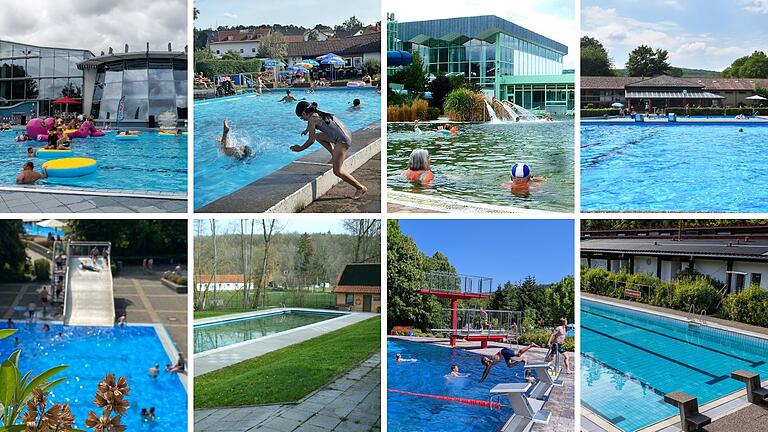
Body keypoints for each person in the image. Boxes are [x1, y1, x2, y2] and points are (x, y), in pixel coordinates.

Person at [293, 101, 367, 199]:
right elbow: (312, 125)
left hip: (342, 141)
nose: (302, 119)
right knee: (318, 136)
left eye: (301, 118)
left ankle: (360, 187)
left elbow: (311, 141)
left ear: (303, 113)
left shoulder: (312, 119)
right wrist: (307, 130)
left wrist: (300, 148)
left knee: (337, 171)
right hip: (346, 134)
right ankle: (334, 153)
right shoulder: (317, 112)